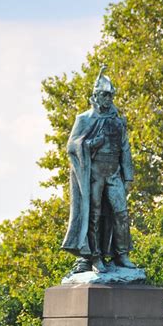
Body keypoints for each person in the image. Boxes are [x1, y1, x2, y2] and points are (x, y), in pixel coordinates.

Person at [62, 66, 136, 274]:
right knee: (93, 215)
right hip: (93, 175)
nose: (108, 98)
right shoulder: (84, 119)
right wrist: (92, 143)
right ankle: (95, 257)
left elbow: (125, 148)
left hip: (113, 174)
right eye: (104, 94)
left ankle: (122, 254)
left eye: (111, 94)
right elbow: (72, 146)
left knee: (121, 213)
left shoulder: (117, 121)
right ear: (95, 95)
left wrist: (128, 177)